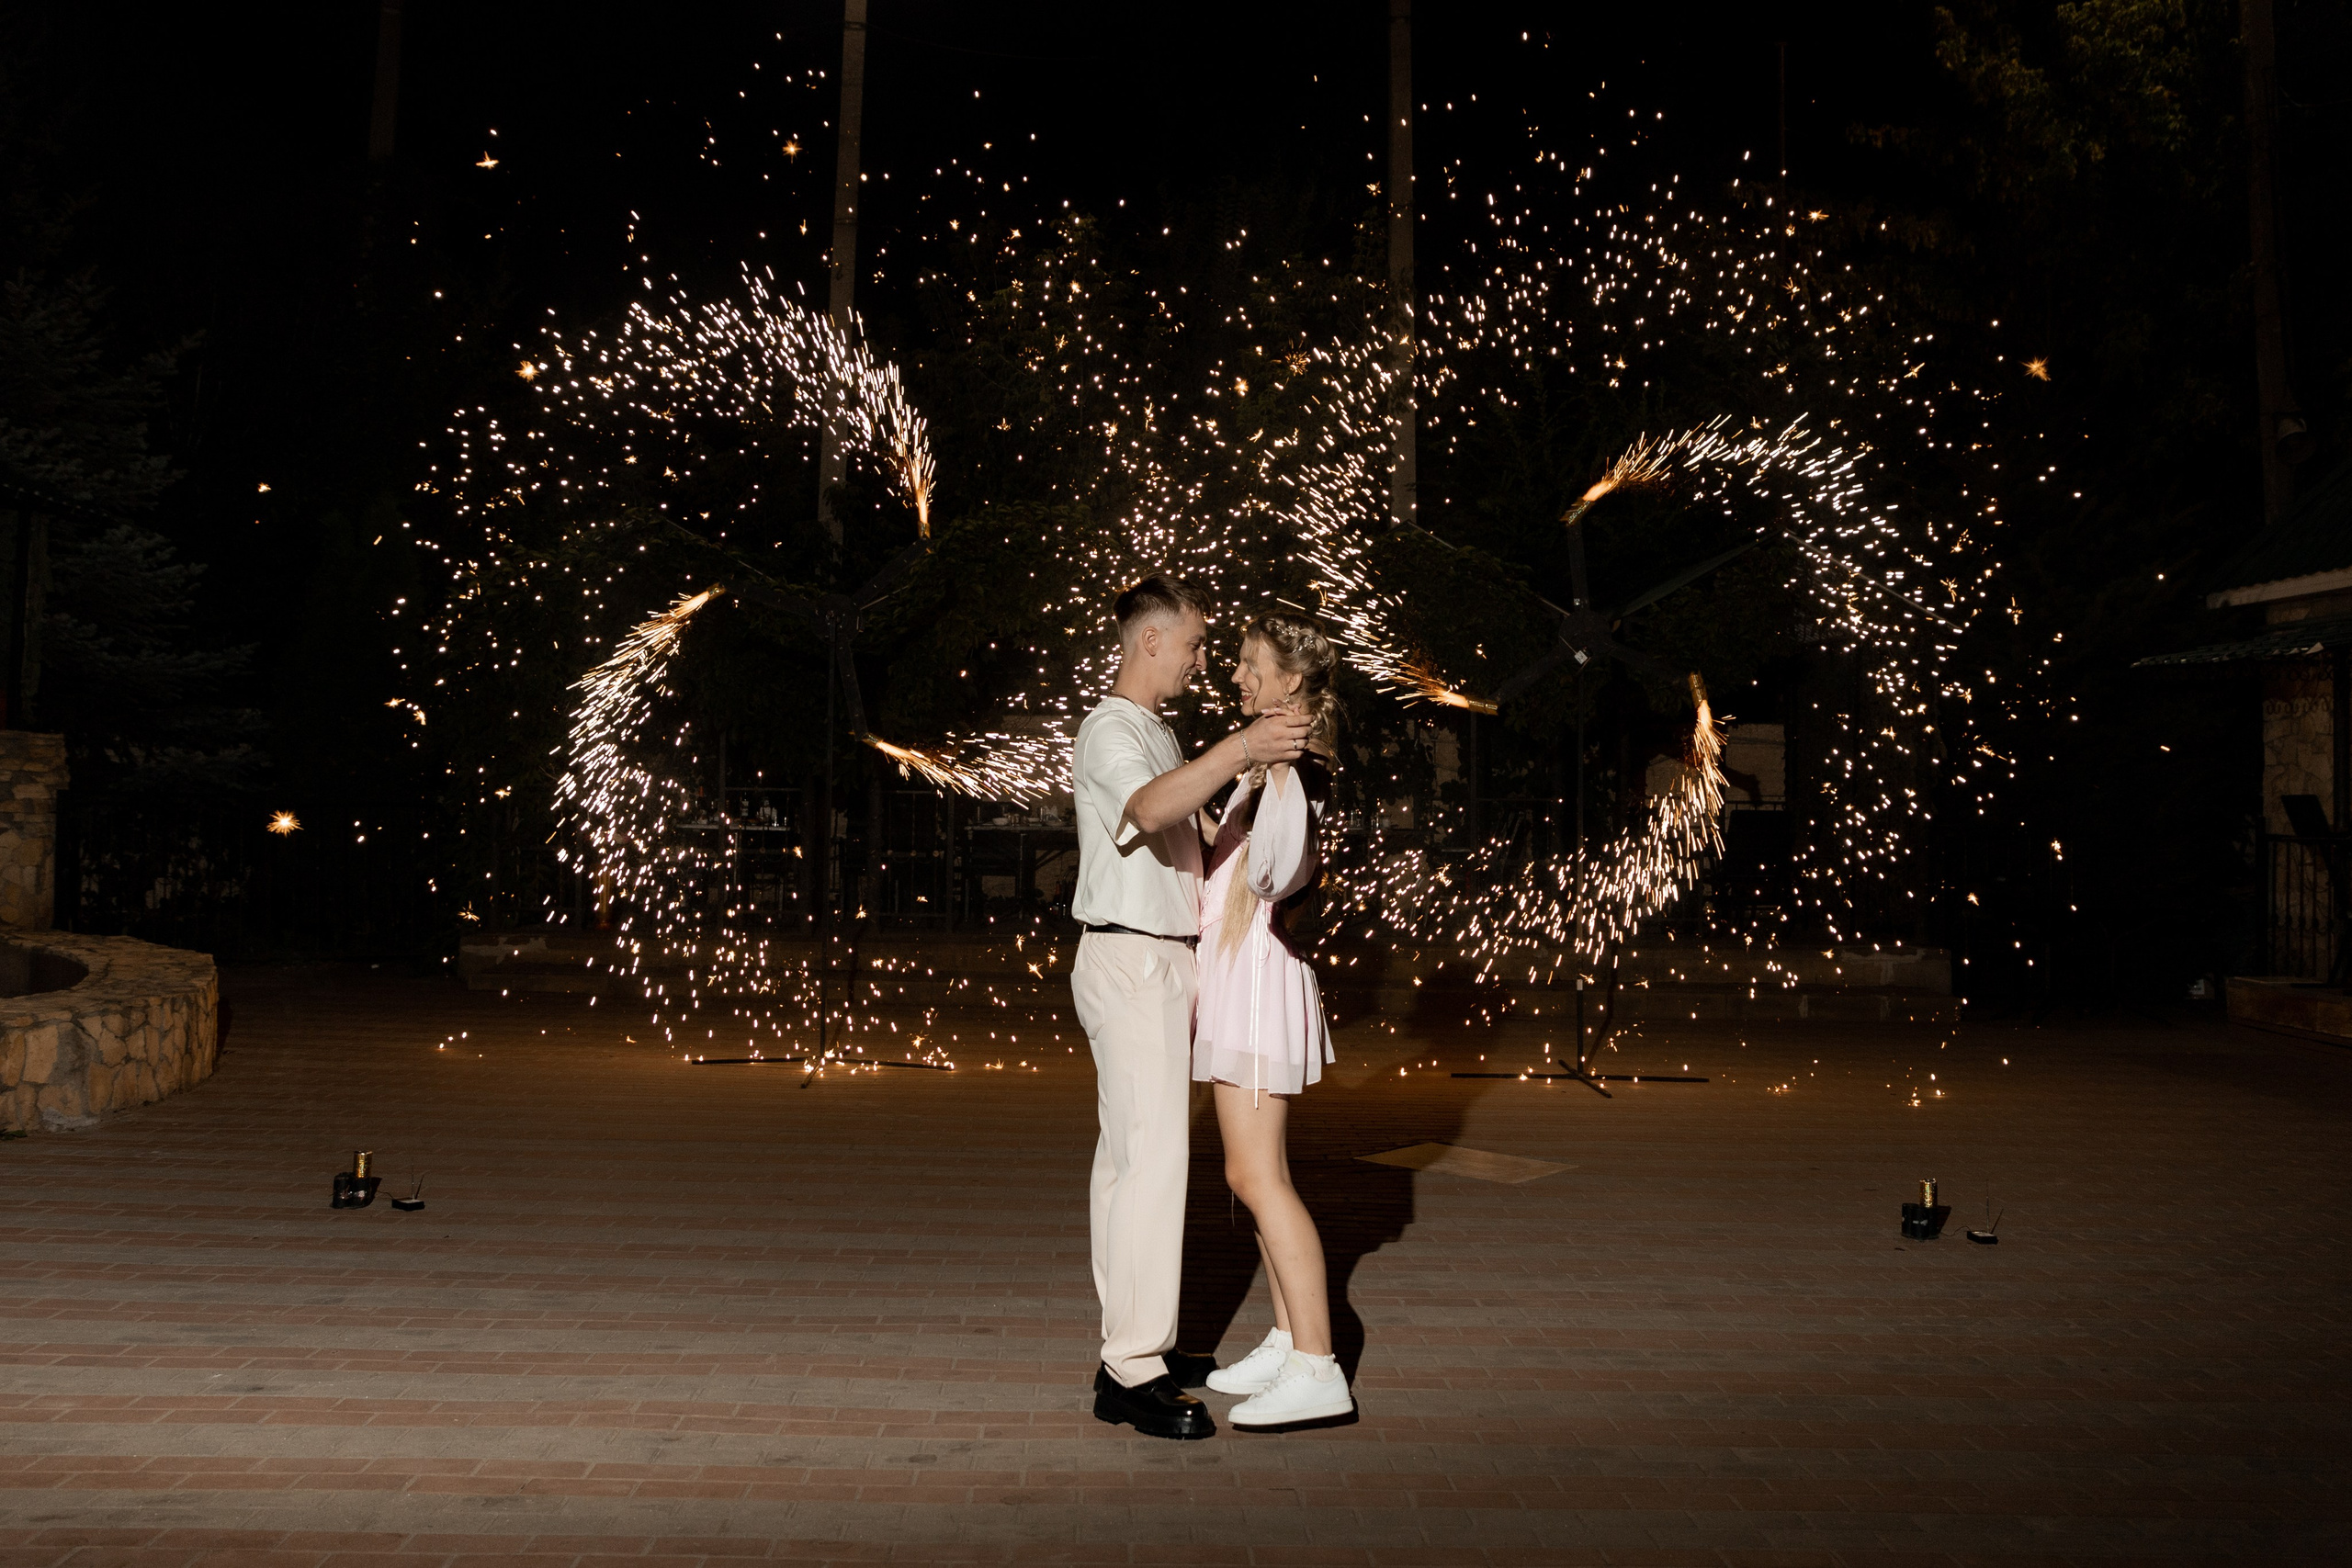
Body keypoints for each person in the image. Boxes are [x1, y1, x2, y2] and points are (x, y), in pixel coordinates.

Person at [1069, 574, 1311, 1440]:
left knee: (1133, 1163)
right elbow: (1145, 807)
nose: (1205, 659)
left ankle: (1134, 1350)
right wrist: (1243, 747)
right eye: (1197, 644)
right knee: (1152, 1165)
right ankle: (1131, 1371)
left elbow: (1194, 832)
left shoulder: (1155, 730)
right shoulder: (1110, 727)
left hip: (1158, 959)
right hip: (1133, 956)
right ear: (1150, 643)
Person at [1195, 612, 1353, 1427]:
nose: (1237, 676)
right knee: (1247, 1177)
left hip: (1258, 977)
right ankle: (1291, 1336)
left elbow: (1279, 872)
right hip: (1243, 976)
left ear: (1293, 682)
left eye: (1252, 665)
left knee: (1260, 1178)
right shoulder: (1268, 767)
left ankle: (1319, 1364)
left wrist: (1264, 801)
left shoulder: (1293, 769)